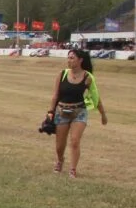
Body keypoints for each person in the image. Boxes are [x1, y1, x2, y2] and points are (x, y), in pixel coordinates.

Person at [43, 47, 107, 179]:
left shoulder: (87, 77)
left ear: (80, 60)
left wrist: (103, 114)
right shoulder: (62, 74)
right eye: (68, 58)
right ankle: (60, 160)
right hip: (61, 112)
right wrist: (50, 112)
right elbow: (55, 95)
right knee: (59, 145)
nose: (69, 60)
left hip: (79, 112)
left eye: (72, 58)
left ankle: (73, 169)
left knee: (75, 141)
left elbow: (95, 97)